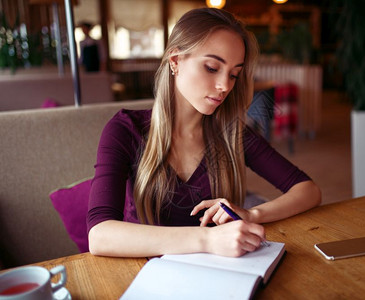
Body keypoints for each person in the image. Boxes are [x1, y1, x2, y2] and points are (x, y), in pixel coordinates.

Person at [87, 8, 321, 258]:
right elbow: (100, 235)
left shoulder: (231, 133)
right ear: (175, 61)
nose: (225, 86)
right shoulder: (126, 129)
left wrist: (252, 214)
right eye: (211, 68)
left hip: (217, 270)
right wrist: (207, 239)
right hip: (144, 270)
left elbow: (308, 190)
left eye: (234, 74)